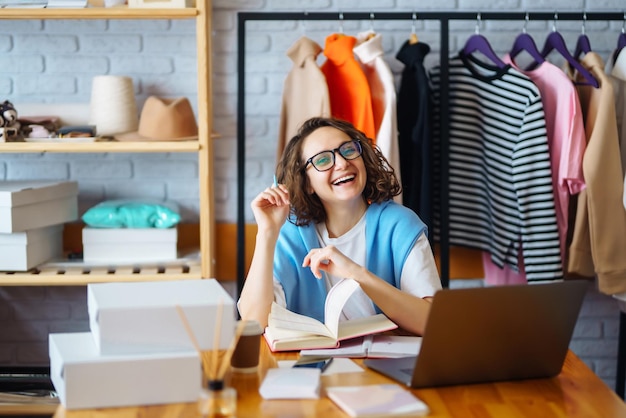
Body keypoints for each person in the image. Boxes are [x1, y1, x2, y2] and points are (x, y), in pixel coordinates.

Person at [238, 117, 441, 335]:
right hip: (310, 366)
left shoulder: (401, 225)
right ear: (306, 183)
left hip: (383, 366)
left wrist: (357, 274)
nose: (342, 163)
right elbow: (254, 322)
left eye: (348, 150)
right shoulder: (289, 235)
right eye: (323, 160)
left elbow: (431, 322)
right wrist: (267, 233)